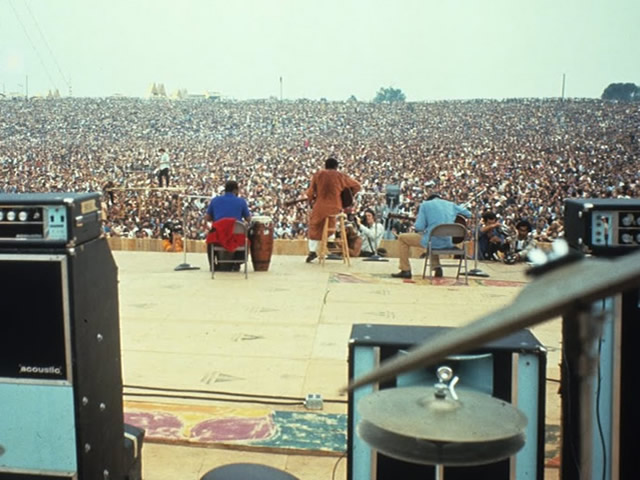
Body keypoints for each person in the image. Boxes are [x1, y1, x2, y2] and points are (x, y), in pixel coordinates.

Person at [392, 194, 471, 279]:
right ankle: (437, 268)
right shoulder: (451, 205)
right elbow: (468, 214)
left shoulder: (425, 205)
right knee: (433, 237)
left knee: (402, 238)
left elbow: (419, 227)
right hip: (448, 242)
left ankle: (405, 270)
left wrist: (426, 223)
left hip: (431, 241)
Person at [304, 156, 361, 263]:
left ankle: (312, 251)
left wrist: (311, 200)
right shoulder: (341, 176)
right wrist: (346, 195)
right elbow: (357, 186)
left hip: (320, 206)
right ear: (336, 167)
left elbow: (310, 193)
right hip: (336, 207)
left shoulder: (318, 175)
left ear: (325, 166)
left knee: (314, 225)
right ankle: (330, 239)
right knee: (331, 222)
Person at [204, 180, 251, 270]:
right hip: (235, 237)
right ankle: (237, 264)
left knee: (210, 240)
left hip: (219, 236)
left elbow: (207, 218)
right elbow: (248, 219)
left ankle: (212, 265)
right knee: (247, 238)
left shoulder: (215, 200)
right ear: (235, 191)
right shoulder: (241, 202)